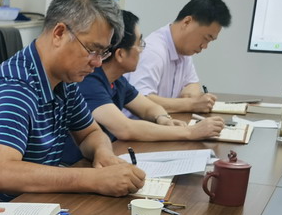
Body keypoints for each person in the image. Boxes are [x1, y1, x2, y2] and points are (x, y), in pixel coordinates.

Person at [0, 0, 146, 203]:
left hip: (31, 206)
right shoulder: (15, 85)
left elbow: (90, 133)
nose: (97, 62)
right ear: (59, 33)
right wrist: (95, 179)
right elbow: (2, 174)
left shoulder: (64, 80)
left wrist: (103, 154)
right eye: (92, 50)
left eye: (103, 52)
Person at [77, 10, 225, 142]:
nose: (142, 50)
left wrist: (163, 119)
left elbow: (147, 108)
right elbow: (125, 128)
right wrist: (190, 132)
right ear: (120, 54)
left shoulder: (117, 80)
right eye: (139, 43)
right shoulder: (89, 81)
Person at [126, 0, 231, 114]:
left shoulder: (184, 51)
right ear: (187, 22)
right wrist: (191, 104)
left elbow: (192, 83)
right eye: (206, 38)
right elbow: (140, 100)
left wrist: (191, 92)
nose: (205, 46)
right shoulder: (153, 51)